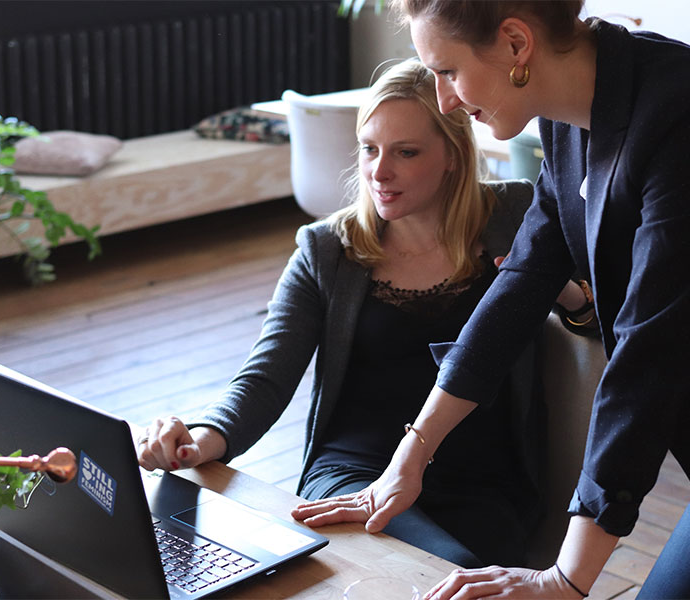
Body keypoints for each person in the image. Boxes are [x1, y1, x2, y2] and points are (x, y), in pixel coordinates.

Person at [292, 1, 690, 598]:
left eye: (447, 71)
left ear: (514, 43)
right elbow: (523, 280)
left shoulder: (676, 112)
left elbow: (648, 354)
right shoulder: (569, 117)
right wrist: (412, 453)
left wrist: (567, 579)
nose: (444, 99)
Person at [136, 59, 590, 568]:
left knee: (451, 570)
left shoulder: (516, 216)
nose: (379, 171)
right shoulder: (327, 250)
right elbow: (265, 377)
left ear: (453, 157)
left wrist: (564, 293)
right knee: (435, 569)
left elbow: (598, 323)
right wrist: (199, 441)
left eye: (406, 152)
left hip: (483, 481)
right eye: (370, 149)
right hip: (354, 473)